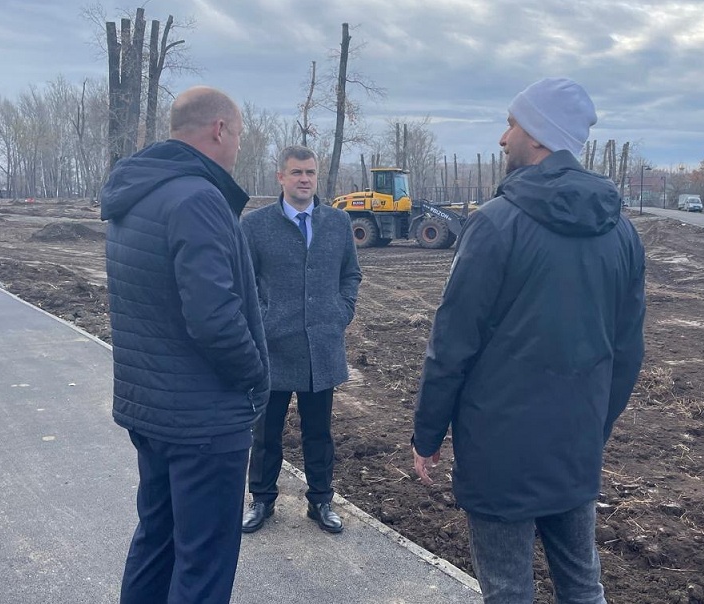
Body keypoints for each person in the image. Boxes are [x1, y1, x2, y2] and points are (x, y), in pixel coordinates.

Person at [412, 77, 646, 603]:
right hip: (575, 447)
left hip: (499, 452)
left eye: (511, 124)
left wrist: (427, 435)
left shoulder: (496, 225)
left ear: (538, 134)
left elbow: (452, 344)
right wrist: (593, 427)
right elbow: (628, 352)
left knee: (508, 590)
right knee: (582, 584)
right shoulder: (622, 232)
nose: (503, 137)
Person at [100, 86, 269, 604]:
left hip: (151, 409)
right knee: (203, 564)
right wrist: (254, 377)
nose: (237, 147)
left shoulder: (139, 191)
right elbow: (213, 318)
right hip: (203, 419)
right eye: (238, 135)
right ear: (219, 130)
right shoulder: (198, 199)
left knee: (156, 541)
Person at [240, 145, 362, 534]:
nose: (304, 179)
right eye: (296, 172)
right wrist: (263, 320)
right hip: (273, 348)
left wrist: (341, 312)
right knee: (265, 432)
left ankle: (321, 500)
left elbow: (351, 274)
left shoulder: (338, 223)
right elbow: (243, 282)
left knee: (319, 432)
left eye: (310, 172)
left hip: (320, 348)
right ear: (281, 177)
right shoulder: (255, 225)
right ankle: (261, 500)